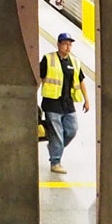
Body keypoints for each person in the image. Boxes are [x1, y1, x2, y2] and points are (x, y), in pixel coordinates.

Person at [37, 32, 88, 174]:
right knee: (57, 133)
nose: (68, 47)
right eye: (65, 44)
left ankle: (54, 148)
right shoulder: (48, 59)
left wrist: (86, 99)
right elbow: (39, 77)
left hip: (68, 103)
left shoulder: (75, 62)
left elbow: (81, 80)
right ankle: (55, 162)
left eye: (70, 44)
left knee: (72, 130)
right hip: (52, 103)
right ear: (58, 44)